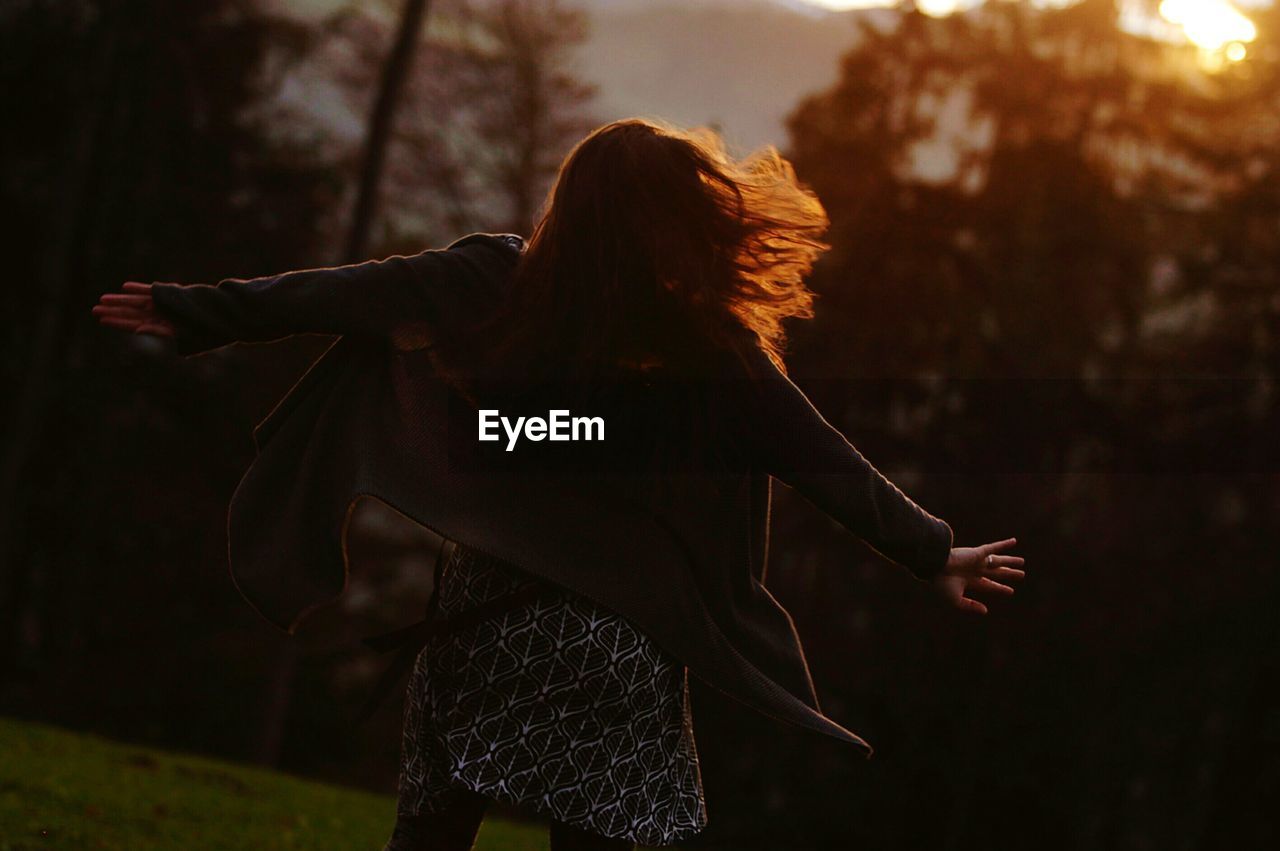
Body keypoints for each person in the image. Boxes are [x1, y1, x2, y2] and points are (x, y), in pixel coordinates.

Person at [93, 118, 1025, 850]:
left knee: (430, 828)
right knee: (593, 841)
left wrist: (193, 311)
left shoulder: (493, 277)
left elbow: (343, 291)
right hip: (617, 640)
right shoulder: (712, 346)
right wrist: (932, 550)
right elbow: (819, 453)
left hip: (484, 618)